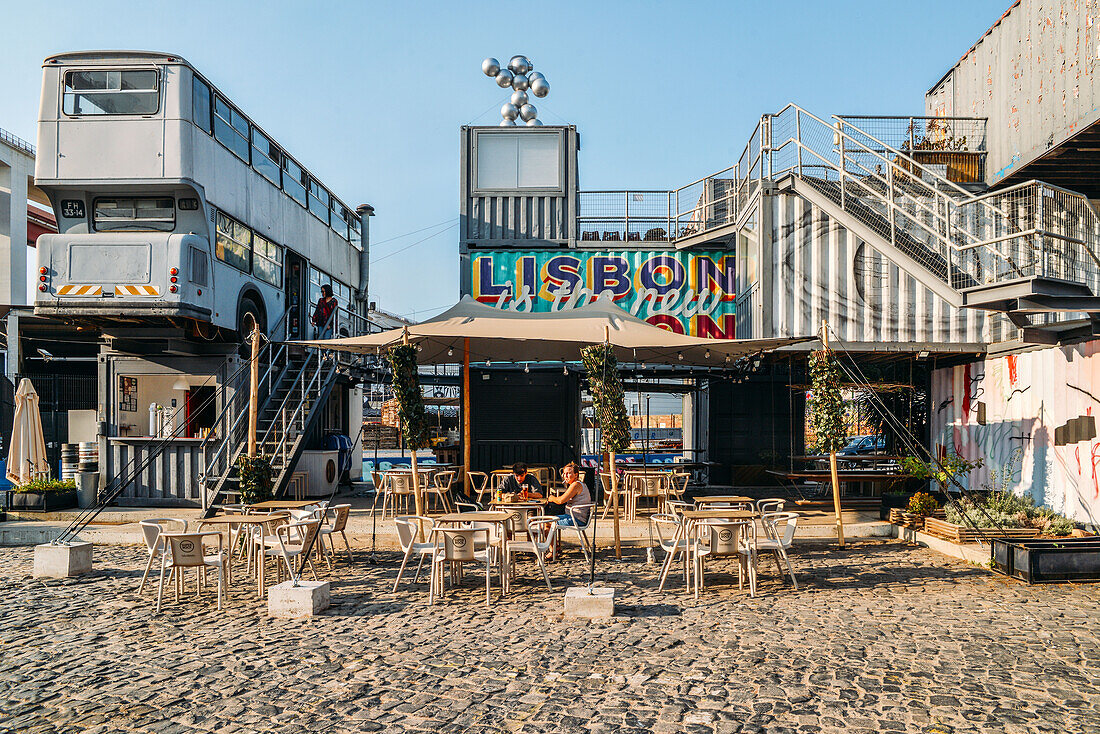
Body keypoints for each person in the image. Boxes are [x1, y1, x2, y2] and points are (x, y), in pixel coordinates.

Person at [544, 461, 592, 528]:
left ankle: (546, 538)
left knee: (545, 522)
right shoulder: (579, 484)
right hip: (575, 517)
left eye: (568, 473)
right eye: (564, 474)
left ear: (576, 475)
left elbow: (561, 500)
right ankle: (551, 538)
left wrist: (551, 498)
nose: (565, 476)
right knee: (546, 520)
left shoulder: (576, 485)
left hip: (576, 519)